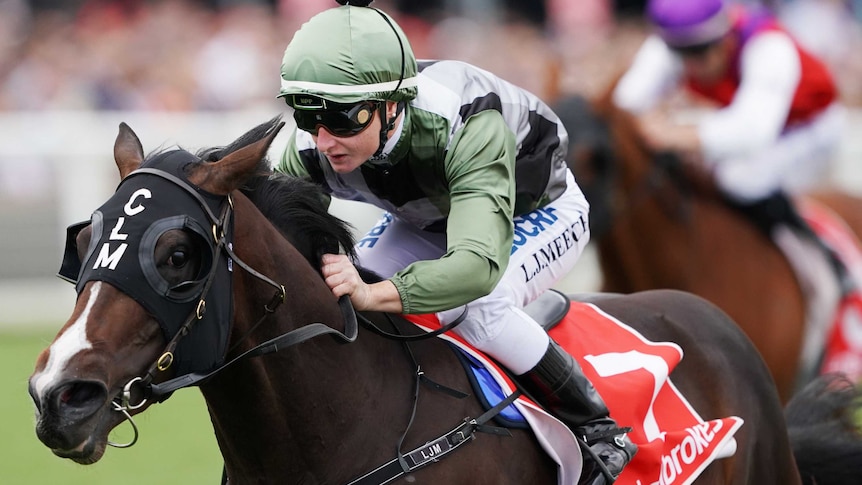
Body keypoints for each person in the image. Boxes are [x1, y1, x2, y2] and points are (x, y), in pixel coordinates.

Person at [274, 2, 636, 483]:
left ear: (392, 105)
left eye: (344, 119)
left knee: (479, 305)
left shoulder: (468, 120)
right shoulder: (306, 148)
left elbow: (475, 265)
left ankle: (596, 426)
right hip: (429, 217)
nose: (323, 141)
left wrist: (373, 291)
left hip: (535, 211)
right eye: (308, 116)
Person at [613, 0, 849, 287]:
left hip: (809, 127)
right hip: (745, 122)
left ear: (726, 36)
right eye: (680, 53)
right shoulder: (672, 43)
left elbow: (752, 132)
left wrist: (672, 132)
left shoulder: (768, 46)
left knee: (739, 180)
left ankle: (822, 256)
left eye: (700, 51)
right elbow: (624, 105)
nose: (691, 64)